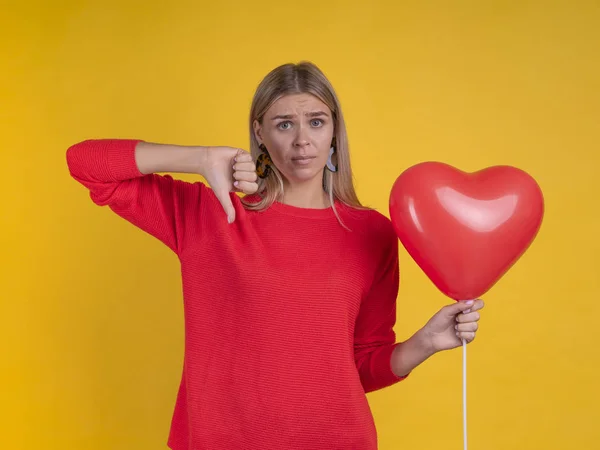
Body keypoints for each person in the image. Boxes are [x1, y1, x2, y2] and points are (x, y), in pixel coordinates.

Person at [66, 61, 484, 450]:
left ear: (334, 131)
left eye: (316, 122)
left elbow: (360, 366)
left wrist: (426, 342)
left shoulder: (372, 232)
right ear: (260, 133)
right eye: (284, 124)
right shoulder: (211, 210)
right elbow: (85, 163)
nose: (302, 141)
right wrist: (199, 158)